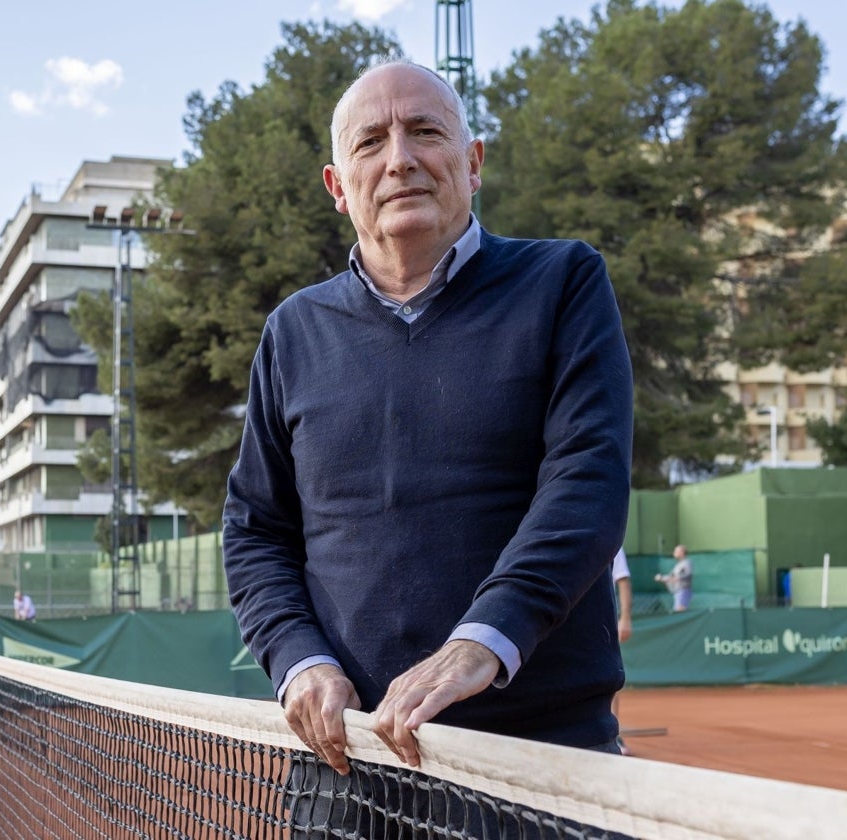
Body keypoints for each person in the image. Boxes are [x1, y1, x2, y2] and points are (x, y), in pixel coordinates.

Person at [222, 59, 634, 833]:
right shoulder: (292, 333)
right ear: (338, 186)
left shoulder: (566, 281)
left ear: (472, 162)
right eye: (370, 142)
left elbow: (587, 481)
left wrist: (485, 640)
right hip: (347, 773)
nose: (399, 158)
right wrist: (298, 659)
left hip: (537, 770)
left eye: (425, 132)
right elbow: (255, 530)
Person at [611, 547, 633, 755]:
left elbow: (623, 579)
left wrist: (625, 617)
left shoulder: (610, 533)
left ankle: (612, 734)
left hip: (602, 619)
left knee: (608, 674)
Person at [655, 544, 692, 612]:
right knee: (677, 613)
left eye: (676, 551)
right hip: (677, 593)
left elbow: (678, 578)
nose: (674, 553)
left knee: (680, 613)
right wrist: (662, 578)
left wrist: (663, 578)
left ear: (682, 552)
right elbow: (671, 577)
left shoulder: (686, 564)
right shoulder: (678, 565)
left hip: (682, 592)